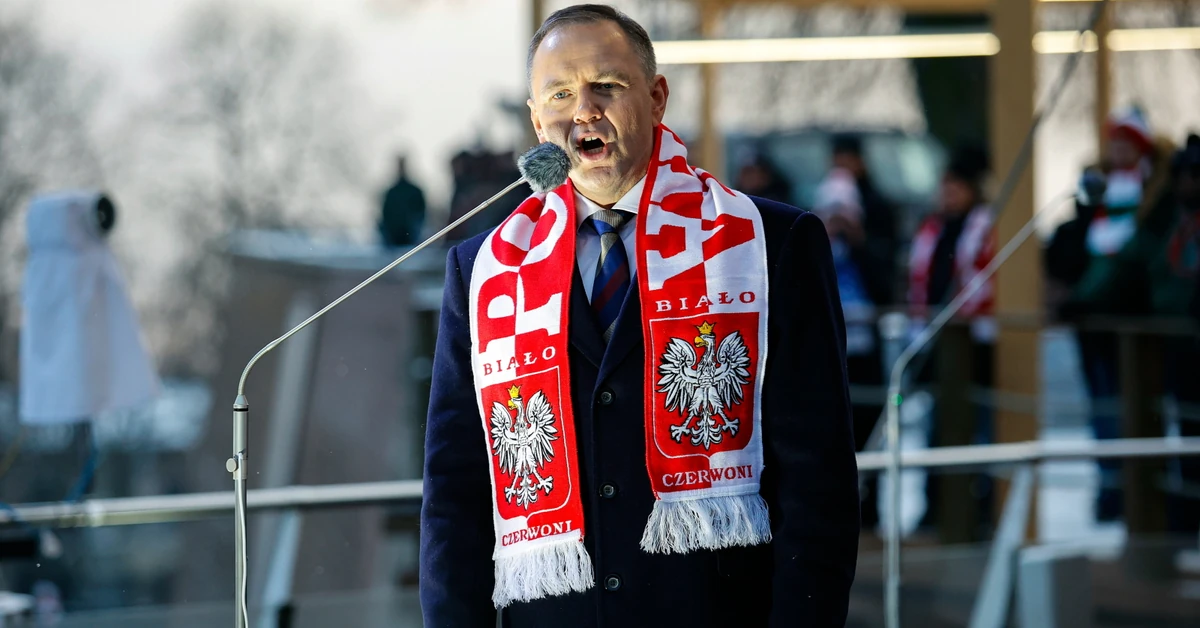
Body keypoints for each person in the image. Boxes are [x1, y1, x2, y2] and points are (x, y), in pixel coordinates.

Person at [419, 5, 859, 627]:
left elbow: (819, 485)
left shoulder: (771, 243)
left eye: (608, 86)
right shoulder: (481, 270)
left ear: (656, 99)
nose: (585, 110)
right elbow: (455, 494)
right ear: (537, 120)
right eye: (561, 93)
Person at [907, 146, 996, 535]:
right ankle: (936, 506)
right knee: (935, 427)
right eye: (946, 186)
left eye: (957, 186)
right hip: (935, 339)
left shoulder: (983, 227)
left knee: (978, 426)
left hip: (974, 343)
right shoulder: (933, 228)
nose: (949, 194)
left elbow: (983, 280)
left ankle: (979, 506)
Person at [1046, 167, 1126, 521]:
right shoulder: (1074, 230)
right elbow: (1058, 265)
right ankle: (1111, 491)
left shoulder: (1115, 227)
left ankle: (1119, 492)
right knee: (1104, 411)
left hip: (1121, 336)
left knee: (1116, 413)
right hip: (1090, 335)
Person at [814, 168, 888, 529]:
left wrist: (858, 244)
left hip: (864, 356)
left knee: (870, 433)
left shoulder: (869, 251)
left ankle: (871, 512)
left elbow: (885, 287)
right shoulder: (811, 250)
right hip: (828, 355)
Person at [831, 133, 899, 305]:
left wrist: (855, 233)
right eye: (838, 162)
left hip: (867, 288)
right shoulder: (827, 197)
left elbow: (885, 251)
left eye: (847, 161)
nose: (842, 168)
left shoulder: (875, 203)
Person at [378, 155, 427, 247]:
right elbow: (385, 216)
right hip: (393, 241)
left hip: (410, 240)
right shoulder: (391, 193)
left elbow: (421, 214)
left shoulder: (414, 191)